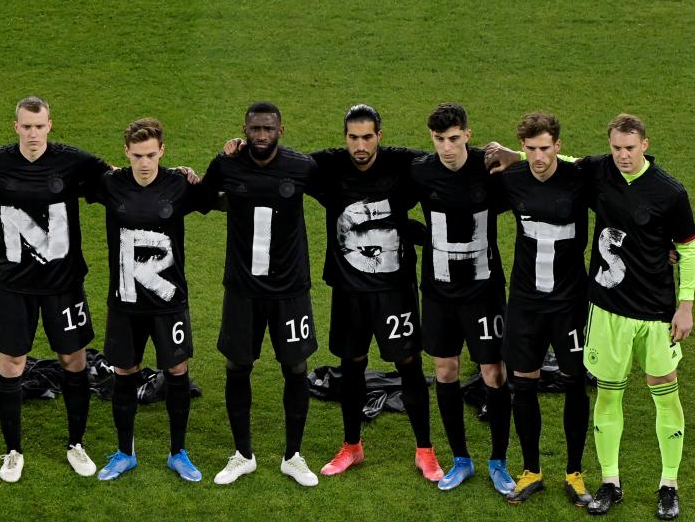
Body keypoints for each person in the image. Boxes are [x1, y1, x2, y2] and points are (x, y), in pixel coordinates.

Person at [0, 96, 112, 483]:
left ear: (50, 125)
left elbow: (117, 179)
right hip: (16, 286)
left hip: (63, 285)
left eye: (39, 126)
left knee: (74, 361)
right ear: (16, 127)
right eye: (26, 127)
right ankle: (13, 451)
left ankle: (76, 444)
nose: (32, 133)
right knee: (11, 364)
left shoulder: (74, 160)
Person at [307, 104, 443, 482]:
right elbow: (284, 164)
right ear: (345, 137)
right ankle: (352, 446)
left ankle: (425, 451)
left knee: (409, 366)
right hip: (349, 291)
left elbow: (449, 164)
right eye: (353, 137)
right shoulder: (330, 165)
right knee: (351, 367)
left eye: (368, 137)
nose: (361, 146)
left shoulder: (403, 164)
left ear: (379, 136)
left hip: (394, 290)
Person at [579, 114, 695, 520]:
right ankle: (610, 482)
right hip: (608, 310)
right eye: (616, 148)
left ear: (645, 144)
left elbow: (687, 249)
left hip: (656, 313)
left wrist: (685, 304)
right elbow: (555, 160)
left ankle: (669, 484)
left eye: (629, 148)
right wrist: (515, 154)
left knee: (664, 392)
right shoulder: (599, 171)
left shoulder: (669, 192)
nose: (622, 155)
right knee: (609, 395)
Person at [201, 101, 321, 487]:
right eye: (254, 129)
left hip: (290, 291)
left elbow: (339, 191)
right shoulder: (227, 165)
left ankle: (293, 456)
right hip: (242, 291)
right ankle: (243, 455)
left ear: (281, 131)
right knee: (237, 366)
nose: (261, 136)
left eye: (268, 129)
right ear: (245, 129)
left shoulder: (302, 167)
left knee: (296, 367)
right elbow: (201, 199)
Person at [88, 118, 214, 482]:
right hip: (125, 304)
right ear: (126, 153)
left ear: (162, 151)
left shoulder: (178, 184)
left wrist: (200, 175)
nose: (144, 163)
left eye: (150, 155)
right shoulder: (111, 184)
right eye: (137, 155)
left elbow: (217, 198)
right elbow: (71, 179)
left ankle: (178, 453)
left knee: (176, 371)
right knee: (124, 373)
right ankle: (125, 453)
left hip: (169, 303)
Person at [409, 102, 514, 495]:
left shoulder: (490, 171)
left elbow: (541, 179)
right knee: (445, 371)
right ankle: (461, 460)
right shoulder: (420, 170)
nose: (447, 148)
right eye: (439, 140)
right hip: (437, 293)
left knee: (494, 374)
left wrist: (516, 155)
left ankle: (499, 462)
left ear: (468, 136)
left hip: (484, 293)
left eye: (454, 139)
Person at [490, 111, 593, 506]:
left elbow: (624, 195)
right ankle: (531, 470)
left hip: (569, 304)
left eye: (544, 148)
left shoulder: (580, 179)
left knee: (573, 382)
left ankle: (575, 472)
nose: (537, 157)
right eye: (530, 149)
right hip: (526, 304)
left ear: (559, 147)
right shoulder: (512, 181)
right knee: (524, 383)